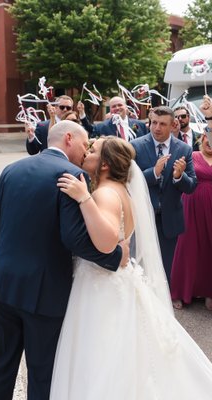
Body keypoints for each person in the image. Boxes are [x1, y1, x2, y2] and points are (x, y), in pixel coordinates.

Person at [50, 136, 212, 399]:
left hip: (101, 284)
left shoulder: (104, 194)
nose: (87, 152)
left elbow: (106, 244)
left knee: (103, 353)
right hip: (118, 279)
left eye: (93, 150)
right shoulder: (121, 189)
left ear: (104, 164)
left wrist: (84, 199)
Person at [0, 121, 129, 400]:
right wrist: (115, 256)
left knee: (2, 361)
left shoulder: (12, 169)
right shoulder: (71, 175)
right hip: (43, 292)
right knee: (41, 370)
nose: (85, 152)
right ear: (69, 139)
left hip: (3, 286)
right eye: (85, 145)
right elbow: (73, 238)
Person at [131, 106, 197, 282]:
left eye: (162, 124)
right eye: (154, 123)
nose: (157, 128)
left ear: (173, 124)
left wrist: (179, 176)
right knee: (141, 271)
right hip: (143, 219)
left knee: (165, 273)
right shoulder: (136, 146)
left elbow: (191, 186)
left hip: (170, 222)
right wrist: (154, 172)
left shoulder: (184, 149)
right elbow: (128, 181)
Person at [171, 101, 212, 310]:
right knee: (187, 248)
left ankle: (208, 291)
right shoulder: (191, 155)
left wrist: (209, 116)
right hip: (191, 207)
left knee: (209, 249)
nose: (209, 142)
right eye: (206, 138)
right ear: (201, 139)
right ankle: (179, 291)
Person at [77, 96, 147, 140]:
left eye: (120, 105)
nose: (117, 108)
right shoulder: (102, 127)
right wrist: (82, 113)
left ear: (126, 107)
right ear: (110, 110)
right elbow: (89, 129)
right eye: (114, 106)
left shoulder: (140, 125)